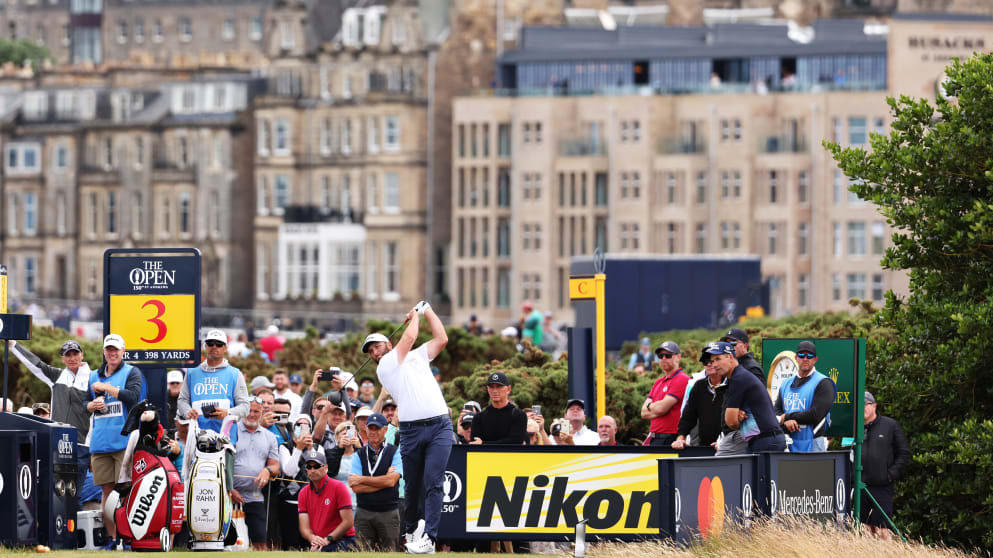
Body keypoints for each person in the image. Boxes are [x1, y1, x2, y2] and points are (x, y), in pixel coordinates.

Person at [362, 300, 450, 554]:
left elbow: (441, 338)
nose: (374, 353)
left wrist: (428, 309)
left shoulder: (417, 356)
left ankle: (430, 538)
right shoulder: (386, 367)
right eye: (370, 352)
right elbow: (410, 337)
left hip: (439, 426)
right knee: (412, 485)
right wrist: (414, 315)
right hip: (411, 430)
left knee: (434, 481)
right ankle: (412, 529)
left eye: (376, 347)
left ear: (388, 344)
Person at [9, 338, 93, 491]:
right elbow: (36, 364)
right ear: (63, 358)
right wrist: (13, 346)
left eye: (75, 354)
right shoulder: (57, 376)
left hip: (81, 445)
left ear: (82, 355)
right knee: (57, 493)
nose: (72, 358)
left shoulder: (94, 379)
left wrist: (95, 449)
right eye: (68, 355)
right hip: (58, 442)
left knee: (76, 495)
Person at [85, 333, 145, 548]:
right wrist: (92, 405)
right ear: (104, 352)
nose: (112, 353)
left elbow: (133, 397)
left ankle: (128, 538)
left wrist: (105, 388)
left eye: (116, 350)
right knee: (106, 494)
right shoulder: (93, 375)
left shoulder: (132, 372)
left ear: (123, 352)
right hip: (100, 443)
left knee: (127, 492)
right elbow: (86, 403)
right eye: (108, 349)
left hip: (124, 443)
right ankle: (112, 540)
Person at [707, 341, 786, 452]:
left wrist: (737, 417)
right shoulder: (738, 376)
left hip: (765, 440)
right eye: (712, 361)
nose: (714, 365)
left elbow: (730, 421)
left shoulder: (738, 378)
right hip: (764, 439)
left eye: (718, 359)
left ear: (730, 357)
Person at [230, 398, 281, 551]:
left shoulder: (269, 436)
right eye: (249, 410)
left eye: (256, 411)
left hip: (255, 496)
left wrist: (268, 470)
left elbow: (275, 466)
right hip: (228, 496)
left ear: (261, 413)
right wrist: (229, 489)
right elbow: (220, 464)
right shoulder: (230, 431)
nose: (251, 414)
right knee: (229, 545)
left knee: (260, 542)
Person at [349, 413, 403, 551]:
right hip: (363, 513)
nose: (373, 432)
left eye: (377, 428)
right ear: (366, 429)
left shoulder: (395, 452)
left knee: (389, 552)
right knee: (362, 552)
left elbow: (391, 482)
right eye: (370, 428)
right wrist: (383, 480)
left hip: (388, 513)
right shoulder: (359, 454)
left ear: (385, 430)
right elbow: (355, 487)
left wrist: (362, 479)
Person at [177, 329, 250, 432]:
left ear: (225, 347)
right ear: (205, 346)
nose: (214, 347)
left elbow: (245, 407)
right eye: (210, 343)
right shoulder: (191, 372)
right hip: (197, 435)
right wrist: (188, 412)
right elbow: (182, 400)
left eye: (219, 344)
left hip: (226, 437)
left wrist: (228, 413)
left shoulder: (235, 374)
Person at [860, 391, 910, 540]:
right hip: (861, 487)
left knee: (883, 530)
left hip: (882, 487)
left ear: (874, 406)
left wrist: (890, 474)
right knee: (864, 530)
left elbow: (903, 453)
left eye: (866, 404)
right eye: (859, 405)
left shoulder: (890, 425)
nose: (862, 408)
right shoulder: (854, 428)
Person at [774, 340, 836, 452]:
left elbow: (815, 414)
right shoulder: (785, 383)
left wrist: (787, 417)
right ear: (796, 358)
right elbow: (776, 411)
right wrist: (786, 422)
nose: (805, 359)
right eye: (802, 355)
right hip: (788, 444)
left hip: (813, 444)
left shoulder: (824, 382)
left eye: (809, 355)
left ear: (815, 359)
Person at [278, 414, 323, 550]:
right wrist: (298, 449)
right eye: (299, 425)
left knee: (310, 544)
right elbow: (288, 471)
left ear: (310, 429)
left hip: (312, 503)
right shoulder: (285, 447)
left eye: (306, 425)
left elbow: (319, 474)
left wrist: (310, 450)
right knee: (291, 544)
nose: (302, 428)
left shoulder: (318, 448)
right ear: (293, 427)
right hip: (289, 503)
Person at [297, 450, 356, 551]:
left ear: (326, 468)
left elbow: (348, 522)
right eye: (309, 467)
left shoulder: (339, 487)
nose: (312, 470)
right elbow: (304, 528)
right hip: (320, 541)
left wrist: (328, 539)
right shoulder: (303, 493)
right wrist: (313, 538)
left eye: (316, 466)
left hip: (343, 540)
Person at [640, 341, 689, 447]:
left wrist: (651, 406)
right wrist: (656, 408)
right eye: (660, 356)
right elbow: (643, 413)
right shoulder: (658, 382)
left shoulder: (682, 379)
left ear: (678, 357)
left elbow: (661, 408)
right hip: (654, 437)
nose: (663, 359)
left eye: (668, 355)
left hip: (670, 438)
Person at [672, 355, 725, 450]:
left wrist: (725, 441)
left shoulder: (733, 384)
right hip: (704, 447)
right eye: (705, 362)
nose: (709, 364)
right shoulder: (698, 385)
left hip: (727, 447)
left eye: (712, 361)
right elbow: (688, 416)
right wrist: (681, 438)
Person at [469, 372, 528, 445]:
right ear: (487, 389)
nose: (495, 391)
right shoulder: (479, 417)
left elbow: (515, 442)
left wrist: (484, 443)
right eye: (491, 387)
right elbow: (475, 444)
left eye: (499, 386)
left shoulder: (518, 415)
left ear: (508, 389)